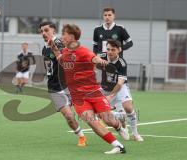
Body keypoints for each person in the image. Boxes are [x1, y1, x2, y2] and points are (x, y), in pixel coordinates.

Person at [49, 24, 129, 154]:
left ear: (71, 36)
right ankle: (118, 146)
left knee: (107, 119)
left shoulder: (83, 51)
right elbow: (61, 60)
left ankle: (118, 126)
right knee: (91, 121)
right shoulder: (65, 52)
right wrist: (54, 49)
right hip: (78, 97)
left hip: (94, 92)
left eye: (64, 34)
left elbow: (94, 58)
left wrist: (102, 62)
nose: (62, 36)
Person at [39, 22, 87, 147]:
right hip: (54, 87)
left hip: (68, 85)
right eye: (41, 31)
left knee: (86, 113)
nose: (44, 33)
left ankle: (115, 120)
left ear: (53, 31)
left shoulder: (60, 44)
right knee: (69, 115)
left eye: (46, 30)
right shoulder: (45, 48)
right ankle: (81, 136)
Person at [100, 39, 144, 141]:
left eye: (113, 50)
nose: (110, 52)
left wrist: (111, 95)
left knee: (128, 107)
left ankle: (135, 134)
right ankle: (121, 120)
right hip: (105, 88)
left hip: (119, 88)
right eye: (108, 49)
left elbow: (120, 83)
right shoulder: (101, 56)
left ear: (119, 50)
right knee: (101, 114)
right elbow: (91, 61)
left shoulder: (122, 63)